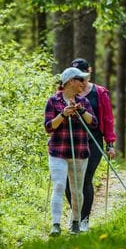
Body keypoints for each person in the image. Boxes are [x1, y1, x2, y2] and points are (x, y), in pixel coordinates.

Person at [62, 58, 116, 232]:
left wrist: (110, 143)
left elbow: (107, 119)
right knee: (69, 182)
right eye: (76, 75)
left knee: (85, 180)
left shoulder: (100, 92)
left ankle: (84, 220)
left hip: (93, 141)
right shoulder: (69, 92)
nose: (80, 79)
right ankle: (76, 217)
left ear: (88, 72)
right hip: (72, 141)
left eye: (82, 74)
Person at [44, 66, 96, 235]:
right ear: (71, 82)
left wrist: (80, 110)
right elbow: (49, 127)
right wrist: (63, 115)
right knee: (59, 185)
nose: (84, 83)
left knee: (76, 189)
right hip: (58, 151)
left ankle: (75, 222)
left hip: (80, 151)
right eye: (80, 80)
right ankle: (56, 224)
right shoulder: (53, 101)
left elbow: (93, 123)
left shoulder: (84, 102)